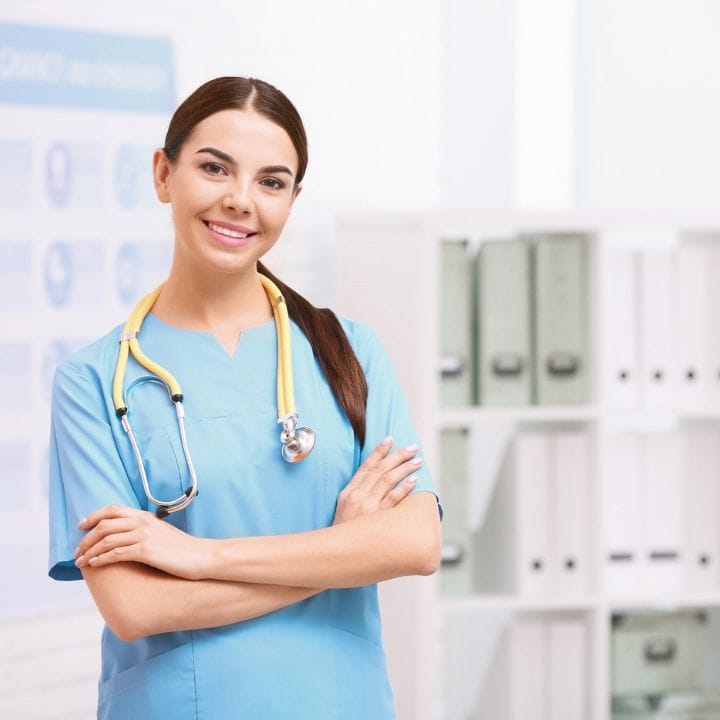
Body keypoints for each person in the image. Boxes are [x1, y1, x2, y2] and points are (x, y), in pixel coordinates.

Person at [48, 76, 443, 720]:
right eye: (213, 168)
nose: (240, 201)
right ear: (162, 174)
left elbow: (416, 544)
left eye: (271, 181)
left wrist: (199, 557)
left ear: (292, 200)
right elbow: (135, 607)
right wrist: (336, 551)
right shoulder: (95, 382)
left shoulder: (350, 351)